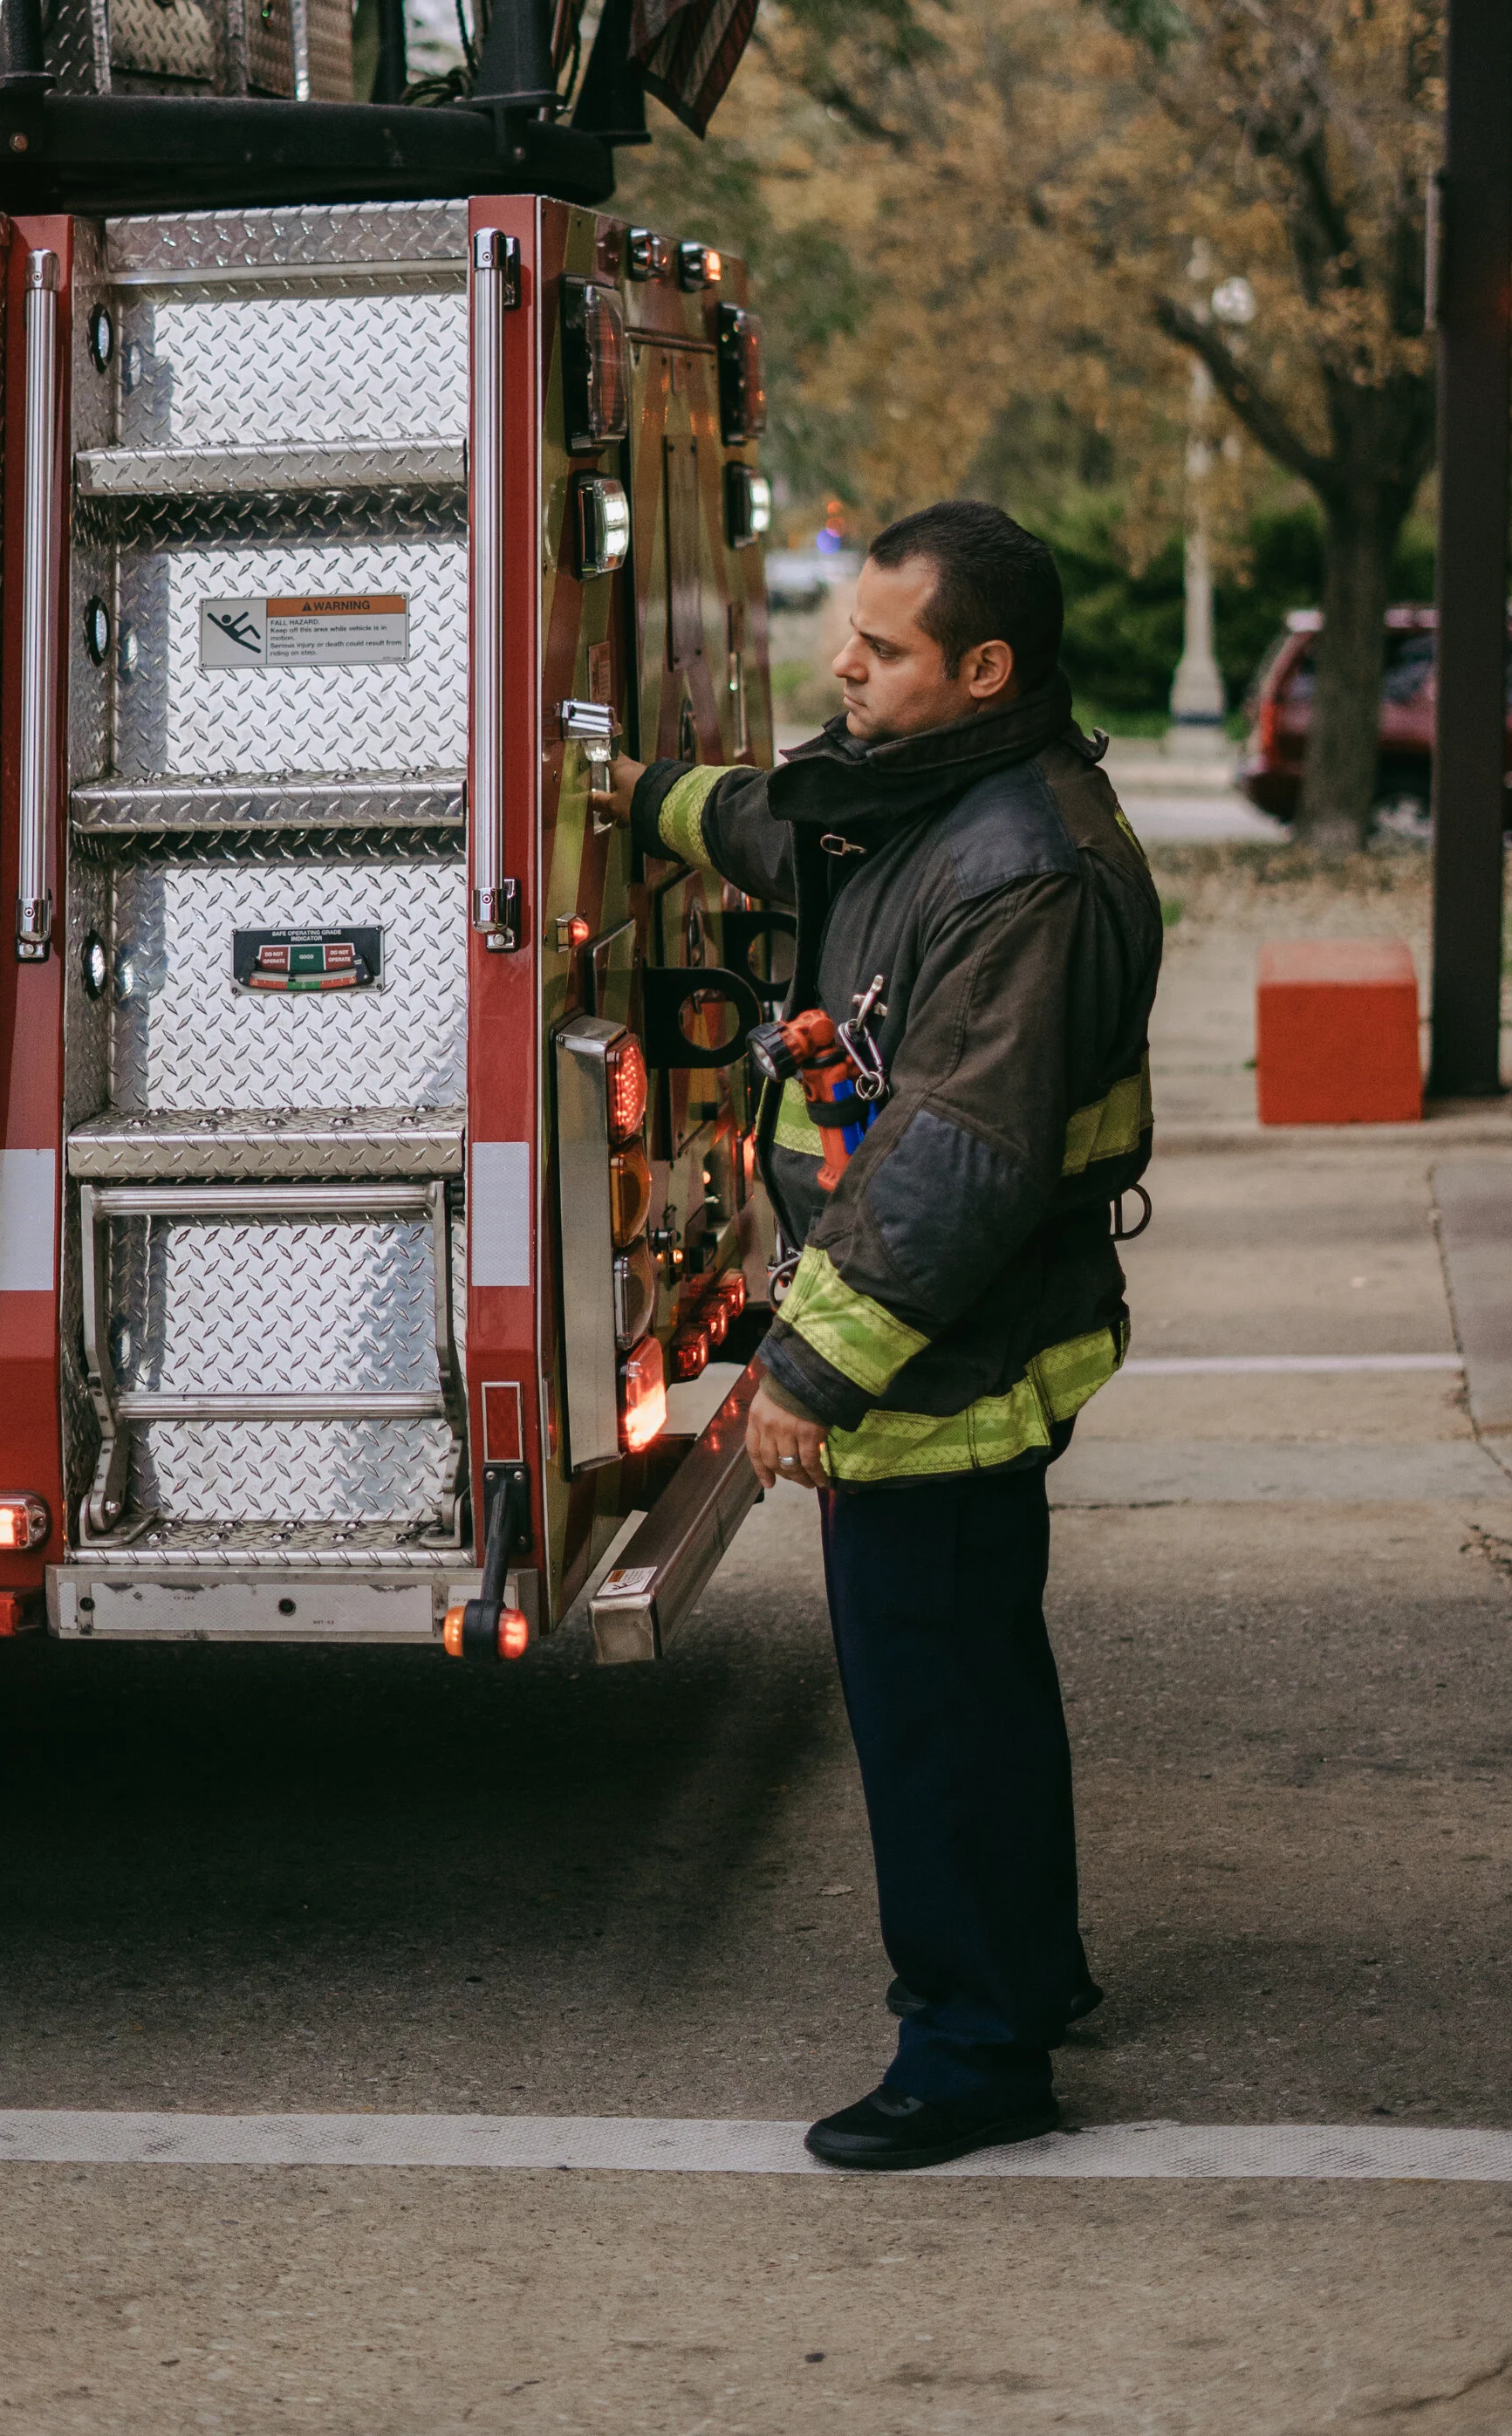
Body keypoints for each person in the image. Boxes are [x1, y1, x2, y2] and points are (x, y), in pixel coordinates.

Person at [605, 497, 1162, 2170]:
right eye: (851, 632)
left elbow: (957, 1168)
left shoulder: (1027, 870)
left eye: (886, 647)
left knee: (929, 1713)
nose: (842, 664)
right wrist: (636, 799)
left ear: (983, 668)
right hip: (961, 1354)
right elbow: (790, 828)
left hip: (945, 1366)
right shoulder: (935, 800)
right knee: (984, 1681)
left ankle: (974, 2052)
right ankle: (1032, 1975)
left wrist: (803, 1369)